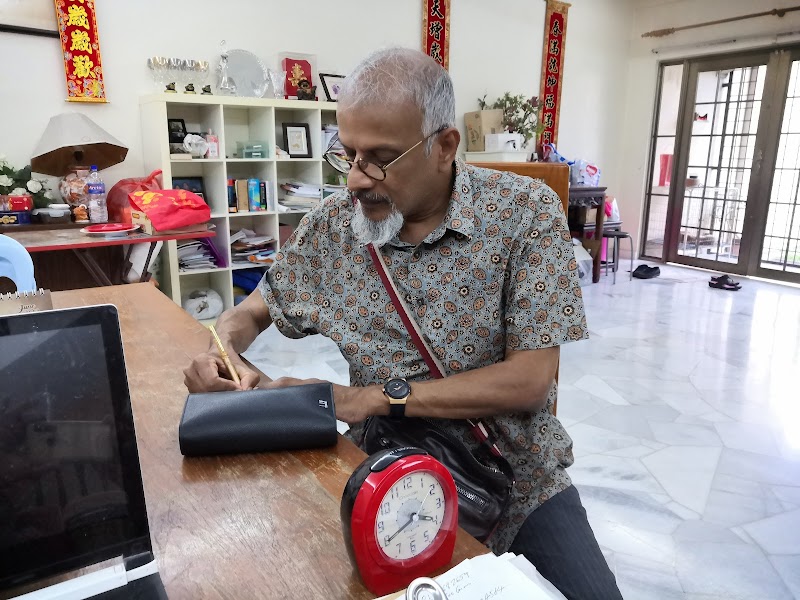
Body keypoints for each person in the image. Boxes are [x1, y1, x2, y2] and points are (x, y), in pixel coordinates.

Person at [184, 47, 622, 599]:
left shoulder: (523, 214)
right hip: (387, 467)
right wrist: (222, 349)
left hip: (516, 475)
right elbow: (252, 310)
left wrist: (365, 399)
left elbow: (530, 380)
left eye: (380, 158)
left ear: (445, 146)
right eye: (348, 154)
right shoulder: (332, 230)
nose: (356, 180)